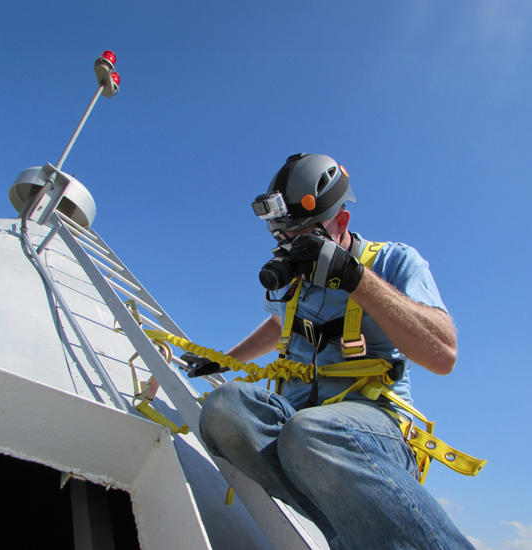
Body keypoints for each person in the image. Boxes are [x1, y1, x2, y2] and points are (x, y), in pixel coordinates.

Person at [188, 153, 475, 550]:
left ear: (340, 222)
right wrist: (225, 360)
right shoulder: (292, 282)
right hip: (298, 433)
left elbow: (443, 354)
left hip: (371, 434)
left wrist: (357, 279)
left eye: (305, 237)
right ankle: (352, 535)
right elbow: (278, 325)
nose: (292, 250)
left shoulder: (394, 261)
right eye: (283, 238)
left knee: (310, 435)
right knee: (224, 409)